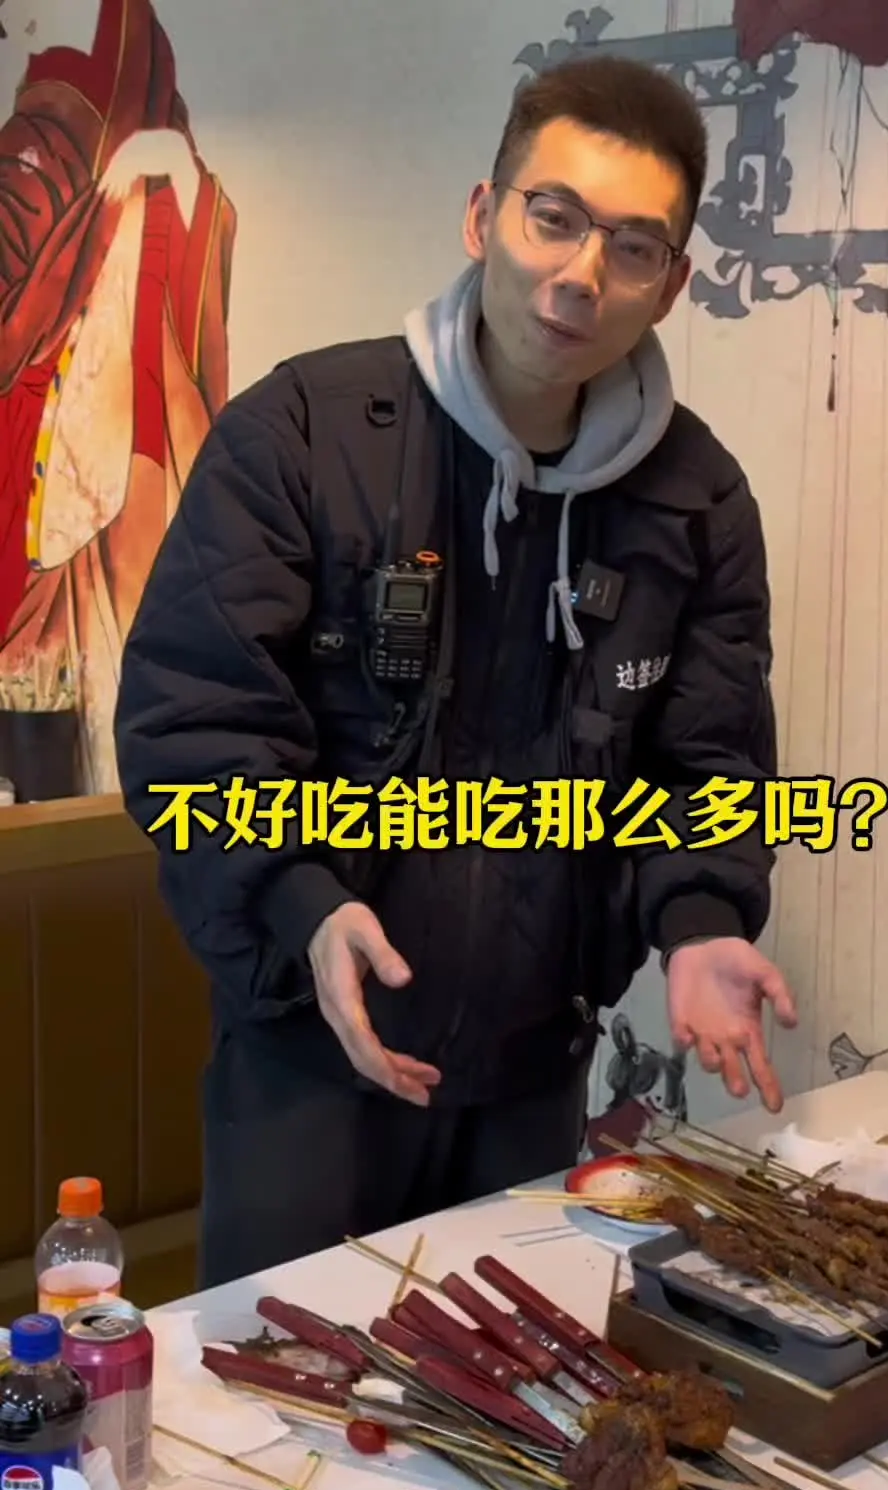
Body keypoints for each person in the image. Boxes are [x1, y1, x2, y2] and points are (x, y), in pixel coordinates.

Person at [114, 54, 797, 1290]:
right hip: (309, 1043)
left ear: (672, 284)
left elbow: (709, 760)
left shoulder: (695, 502)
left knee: (513, 1378)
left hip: (534, 1066)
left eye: (633, 247)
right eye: (555, 217)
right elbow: (196, 722)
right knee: (283, 1379)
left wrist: (700, 924)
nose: (582, 273)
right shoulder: (304, 433)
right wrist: (302, 904)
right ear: (485, 216)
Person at [0, 0, 235, 793]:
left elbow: (193, 240)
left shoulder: (137, 82)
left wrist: (181, 178)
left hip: (127, 436)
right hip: (35, 438)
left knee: (131, 647)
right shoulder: (29, 132)